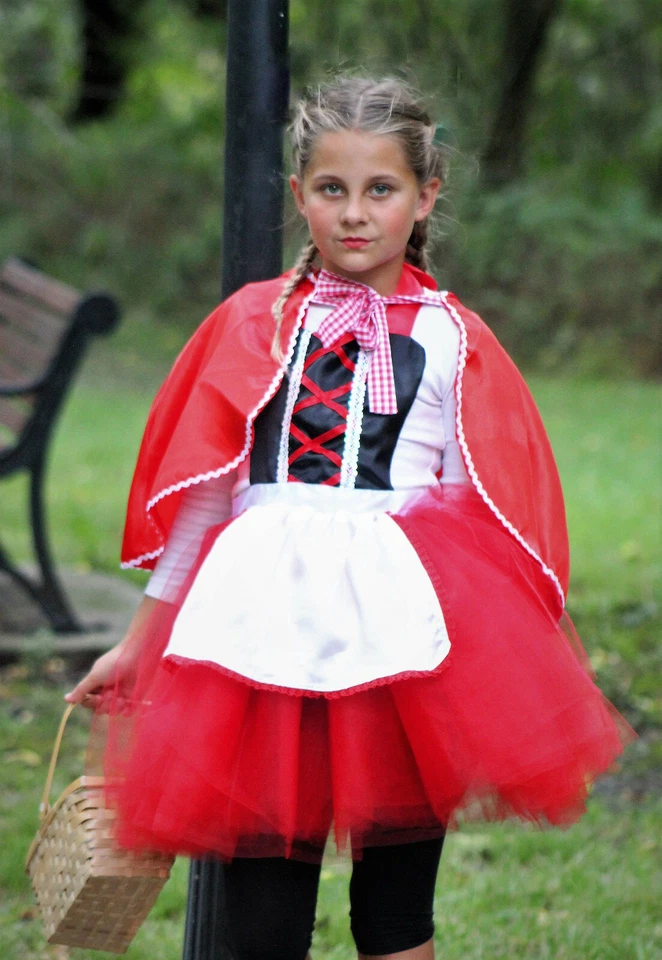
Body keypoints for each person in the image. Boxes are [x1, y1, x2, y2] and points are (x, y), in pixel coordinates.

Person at [66, 77, 632, 960]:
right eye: (332, 190)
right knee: (260, 918)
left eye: (382, 190)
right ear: (300, 196)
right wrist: (140, 640)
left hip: (398, 642)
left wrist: (518, 654)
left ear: (426, 195)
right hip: (260, 638)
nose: (355, 214)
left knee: (398, 916)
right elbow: (210, 491)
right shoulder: (257, 321)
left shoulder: (452, 337)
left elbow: (481, 498)